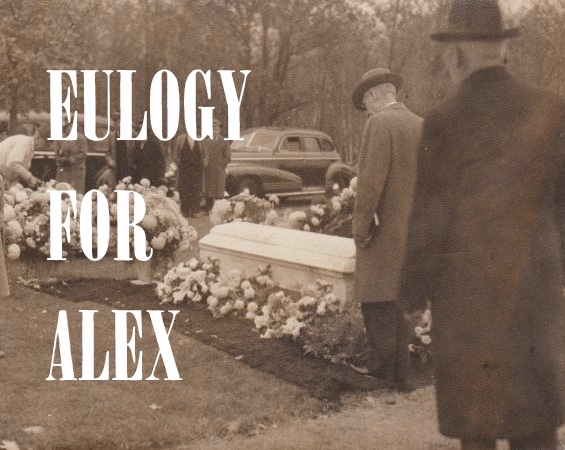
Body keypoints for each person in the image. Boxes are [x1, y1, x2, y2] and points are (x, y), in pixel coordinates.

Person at [400, 1, 565, 449]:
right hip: (535, 296)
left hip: (468, 301)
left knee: (478, 427)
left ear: (457, 56)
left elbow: (429, 219)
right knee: (536, 427)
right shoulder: (550, 110)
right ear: (503, 50)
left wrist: (413, 294)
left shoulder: (443, 122)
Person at [349, 68, 422, 387]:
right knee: (400, 298)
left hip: (383, 229)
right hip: (413, 229)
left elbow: (370, 183)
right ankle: (402, 374)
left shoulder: (379, 123)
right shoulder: (420, 124)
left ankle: (381, 370)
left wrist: (360, 227)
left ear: (374, 97)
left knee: (375, 297)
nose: (366, 111)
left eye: (365, 104)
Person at [174, 126, 203, 217]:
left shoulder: (200, 139)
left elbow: (205, 154)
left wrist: (203, 164)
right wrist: (178, 163)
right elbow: (176, 153)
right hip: (184, 169)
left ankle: (195, 211)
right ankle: (185, 211)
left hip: (197, 169)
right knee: (183, 190)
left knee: (196, 190)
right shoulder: (181, 139)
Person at [202, 119, 230, 211]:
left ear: (219, 130)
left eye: (216, 129)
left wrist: (221, 164)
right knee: (208, 190)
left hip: (219, 170)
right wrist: (205, 164)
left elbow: (228, 157)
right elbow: (202, 155)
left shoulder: (224, 142)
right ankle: (208, 209)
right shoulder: (205, 142)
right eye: (213, 129)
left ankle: (219, 210)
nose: (215, 131)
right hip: (208, 170)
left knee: (219, 191)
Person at [55, 122, 88, 194]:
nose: (70, 129)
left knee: (76, 193)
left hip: (76, 170)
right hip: (63, 170)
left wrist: (70, 160)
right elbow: (56, 153)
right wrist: (60, 160)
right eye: (68, 126)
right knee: (62, 191)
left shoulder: (81, 139)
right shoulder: (60, 138)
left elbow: (83, 154)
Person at [105, 111, 135, 186]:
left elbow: (137, 151)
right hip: (116, 169)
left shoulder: (132, 134)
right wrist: (110, 160)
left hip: (129, 168)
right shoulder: (111, 136)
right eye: (114, 122)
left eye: (118, 121)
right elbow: (107, 153)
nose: (116, 124)